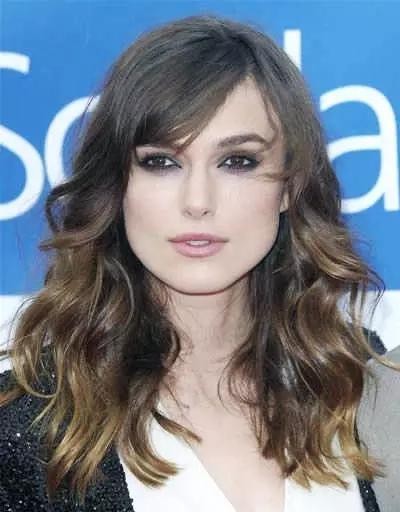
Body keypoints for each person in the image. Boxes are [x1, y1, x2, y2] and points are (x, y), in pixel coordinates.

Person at [0, 13, 399, 512]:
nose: (197, 201)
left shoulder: (358, 381)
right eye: (161, 162)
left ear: (289, 186)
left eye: (237, 161)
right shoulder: (27, 429)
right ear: (118, 185)